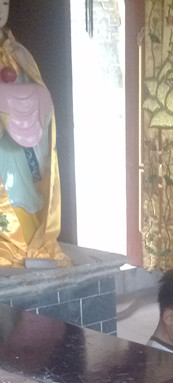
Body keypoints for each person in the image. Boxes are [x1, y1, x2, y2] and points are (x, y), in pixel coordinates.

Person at [0, 0, 68, 266]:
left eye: (5, 2)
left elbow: (38, 89)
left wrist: (24, 103)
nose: (1, 8)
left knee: (23, 192)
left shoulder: (20, 53)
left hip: (18, 143)